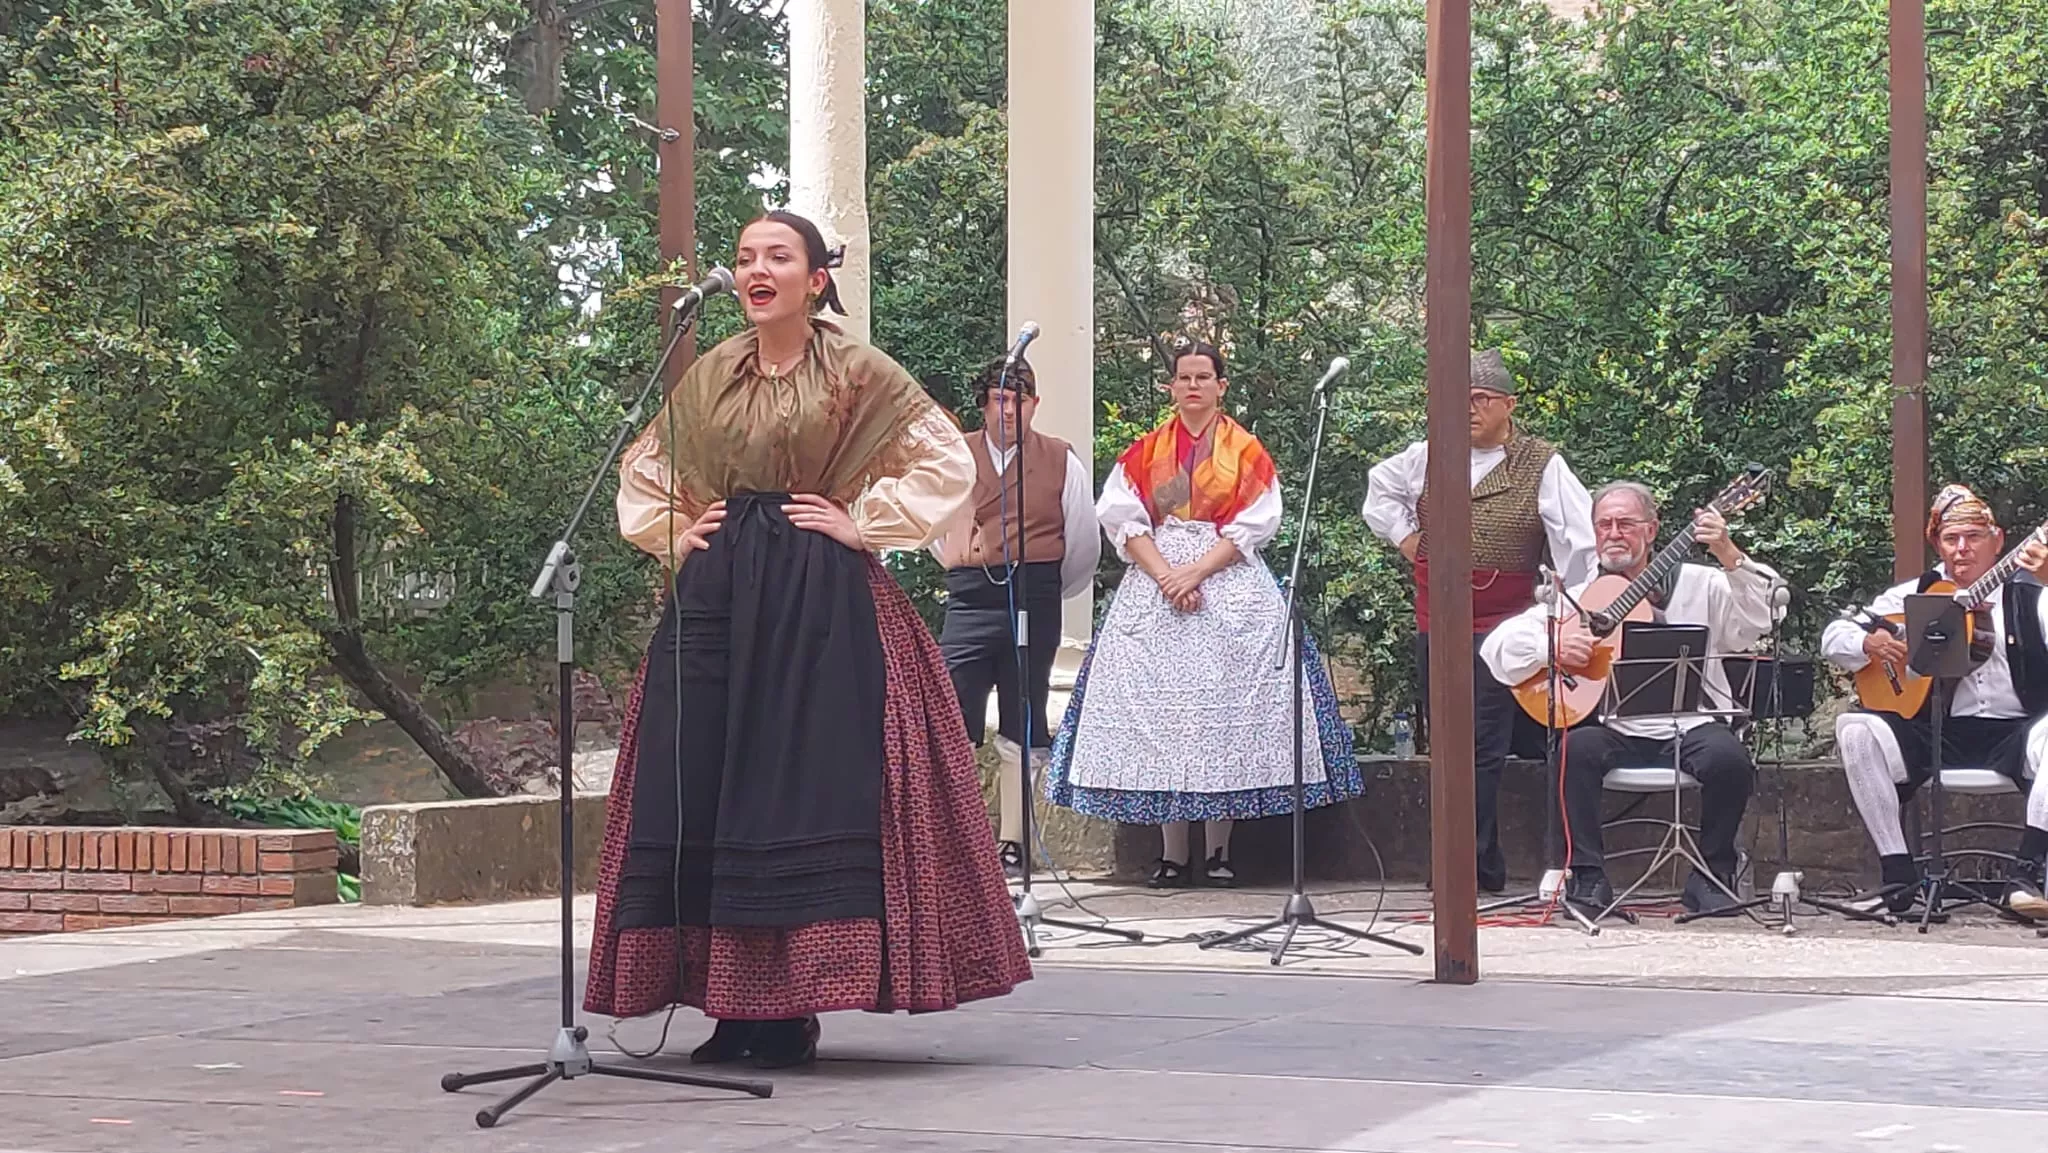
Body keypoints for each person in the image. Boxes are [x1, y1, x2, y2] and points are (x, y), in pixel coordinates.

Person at [582, 210, 1031, 1069]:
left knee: (802, 786)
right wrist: (675, 530)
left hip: (820, 599)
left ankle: (791, 1007)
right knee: (707, 781)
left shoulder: (858, 369)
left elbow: (946, 460)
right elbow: (648, 467)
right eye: (746, 257)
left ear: (816, 279)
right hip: (719, 597)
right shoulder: (712, 372)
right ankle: (729, 1005)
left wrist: (864, 522)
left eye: (778, 257)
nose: (757, 270)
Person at [1044, 340, 1364, 888]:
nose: (1193, 386)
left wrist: (1194, 574)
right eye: (1184, 377)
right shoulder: (1144, 454)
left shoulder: (1247, 452)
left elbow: (1255, 525)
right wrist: (1167, 576)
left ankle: (1218, 850)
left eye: (1203, 377)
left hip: (1228, 585)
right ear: (1171, 387)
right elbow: (1123, 521)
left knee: (1225, 719)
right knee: (1165, 720)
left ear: (1221, 386)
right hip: (1156, 584)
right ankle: (1172, 853)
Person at [1479, 480, 1780, 914]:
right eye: (1604, 524)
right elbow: (1497, 649)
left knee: (1729, 760)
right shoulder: (1580, 595)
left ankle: (1713, 875)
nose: (1614, 533)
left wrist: (1728, 553)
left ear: (1652, 530)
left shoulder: (1703, 583)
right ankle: (1586, 876)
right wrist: (1552, 647)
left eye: (1626, 523)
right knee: (1572, 751)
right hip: (1613, 726)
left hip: (1691, 723)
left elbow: (1765, 616)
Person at [1364, 349, 1595, 893]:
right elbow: (1380, 489)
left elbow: (1578, 548)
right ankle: (1472, 860)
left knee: (1483, 744)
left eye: (1481, 398)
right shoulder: (1427, 456)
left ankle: (1469, 865)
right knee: (1448, 740)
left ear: (1508, 405)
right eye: (1458, 399)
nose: (1468, 408)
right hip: (1437, 619)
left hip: (1504, 627)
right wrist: (1408, 539)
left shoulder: (1541, 463)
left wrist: (1566, 615)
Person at [1820, 484, 2048, 918]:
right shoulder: (1916, 594)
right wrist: (1868, 643)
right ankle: (1898, 875)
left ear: (1998, 540)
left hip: (2018, 732)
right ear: (1938, 545)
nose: (1962, 549)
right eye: (1951, 539)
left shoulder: (2033, 593)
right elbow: (1834, 635)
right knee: (1855, 729)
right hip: (1938, 733)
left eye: (1973, 537)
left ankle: (2025, 877)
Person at [933, 356, 1100, 878]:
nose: (1009, 410)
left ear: (1034, 404)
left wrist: (1044, 587)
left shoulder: (1060, 459)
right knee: (952, 707)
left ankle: (1015, 841)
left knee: (1024, 712)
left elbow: (1083, 541)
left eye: (1019, 400)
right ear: (983, 405)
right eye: (999, 399)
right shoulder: (954, 456)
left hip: (1035, 595)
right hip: (970, 597)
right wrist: (966, 560)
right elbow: (934, 527)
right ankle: (956, 840)